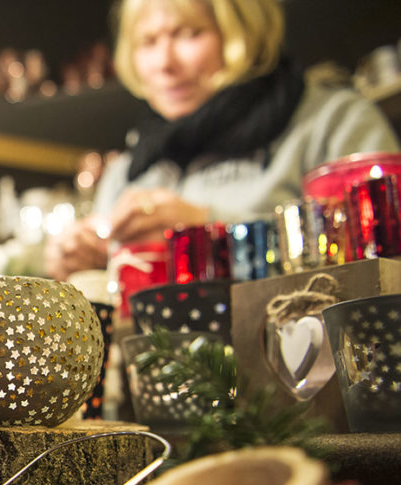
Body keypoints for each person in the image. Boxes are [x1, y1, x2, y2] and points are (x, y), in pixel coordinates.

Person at [46, 0, 401, 280]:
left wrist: (213, 235)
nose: (163, 62)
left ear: (242, 32)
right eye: (148, 42)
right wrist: (77, 266)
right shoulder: (127, 172)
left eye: (187, 34)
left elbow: (382, 270)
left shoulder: (330, 121)